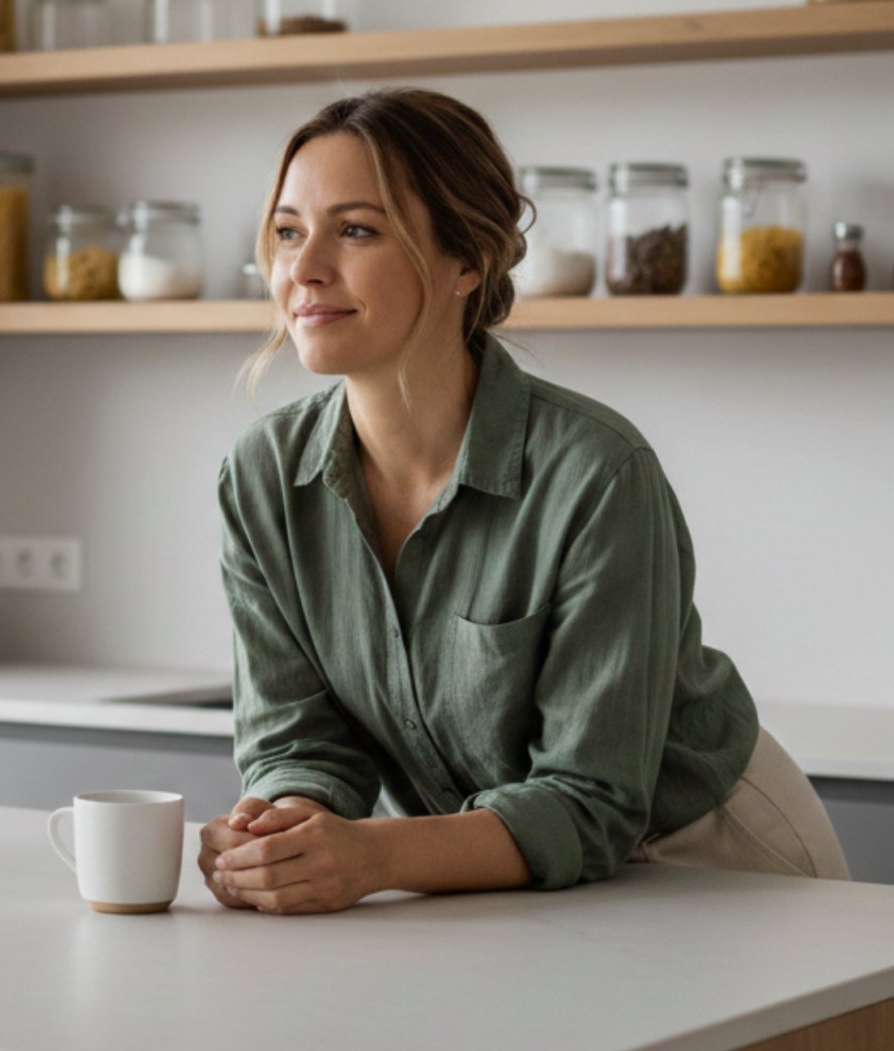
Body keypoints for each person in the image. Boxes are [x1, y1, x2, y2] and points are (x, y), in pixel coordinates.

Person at [201, 88, 849, 915]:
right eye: (289, 232)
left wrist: (371, 855)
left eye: (356, 230)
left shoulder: (598, 473)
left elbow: (590, 798)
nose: (304, 268)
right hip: (496, 873)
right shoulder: (261, 479)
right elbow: (300, 743)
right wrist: (284, 831)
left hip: (709, 860)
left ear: (466, 260)